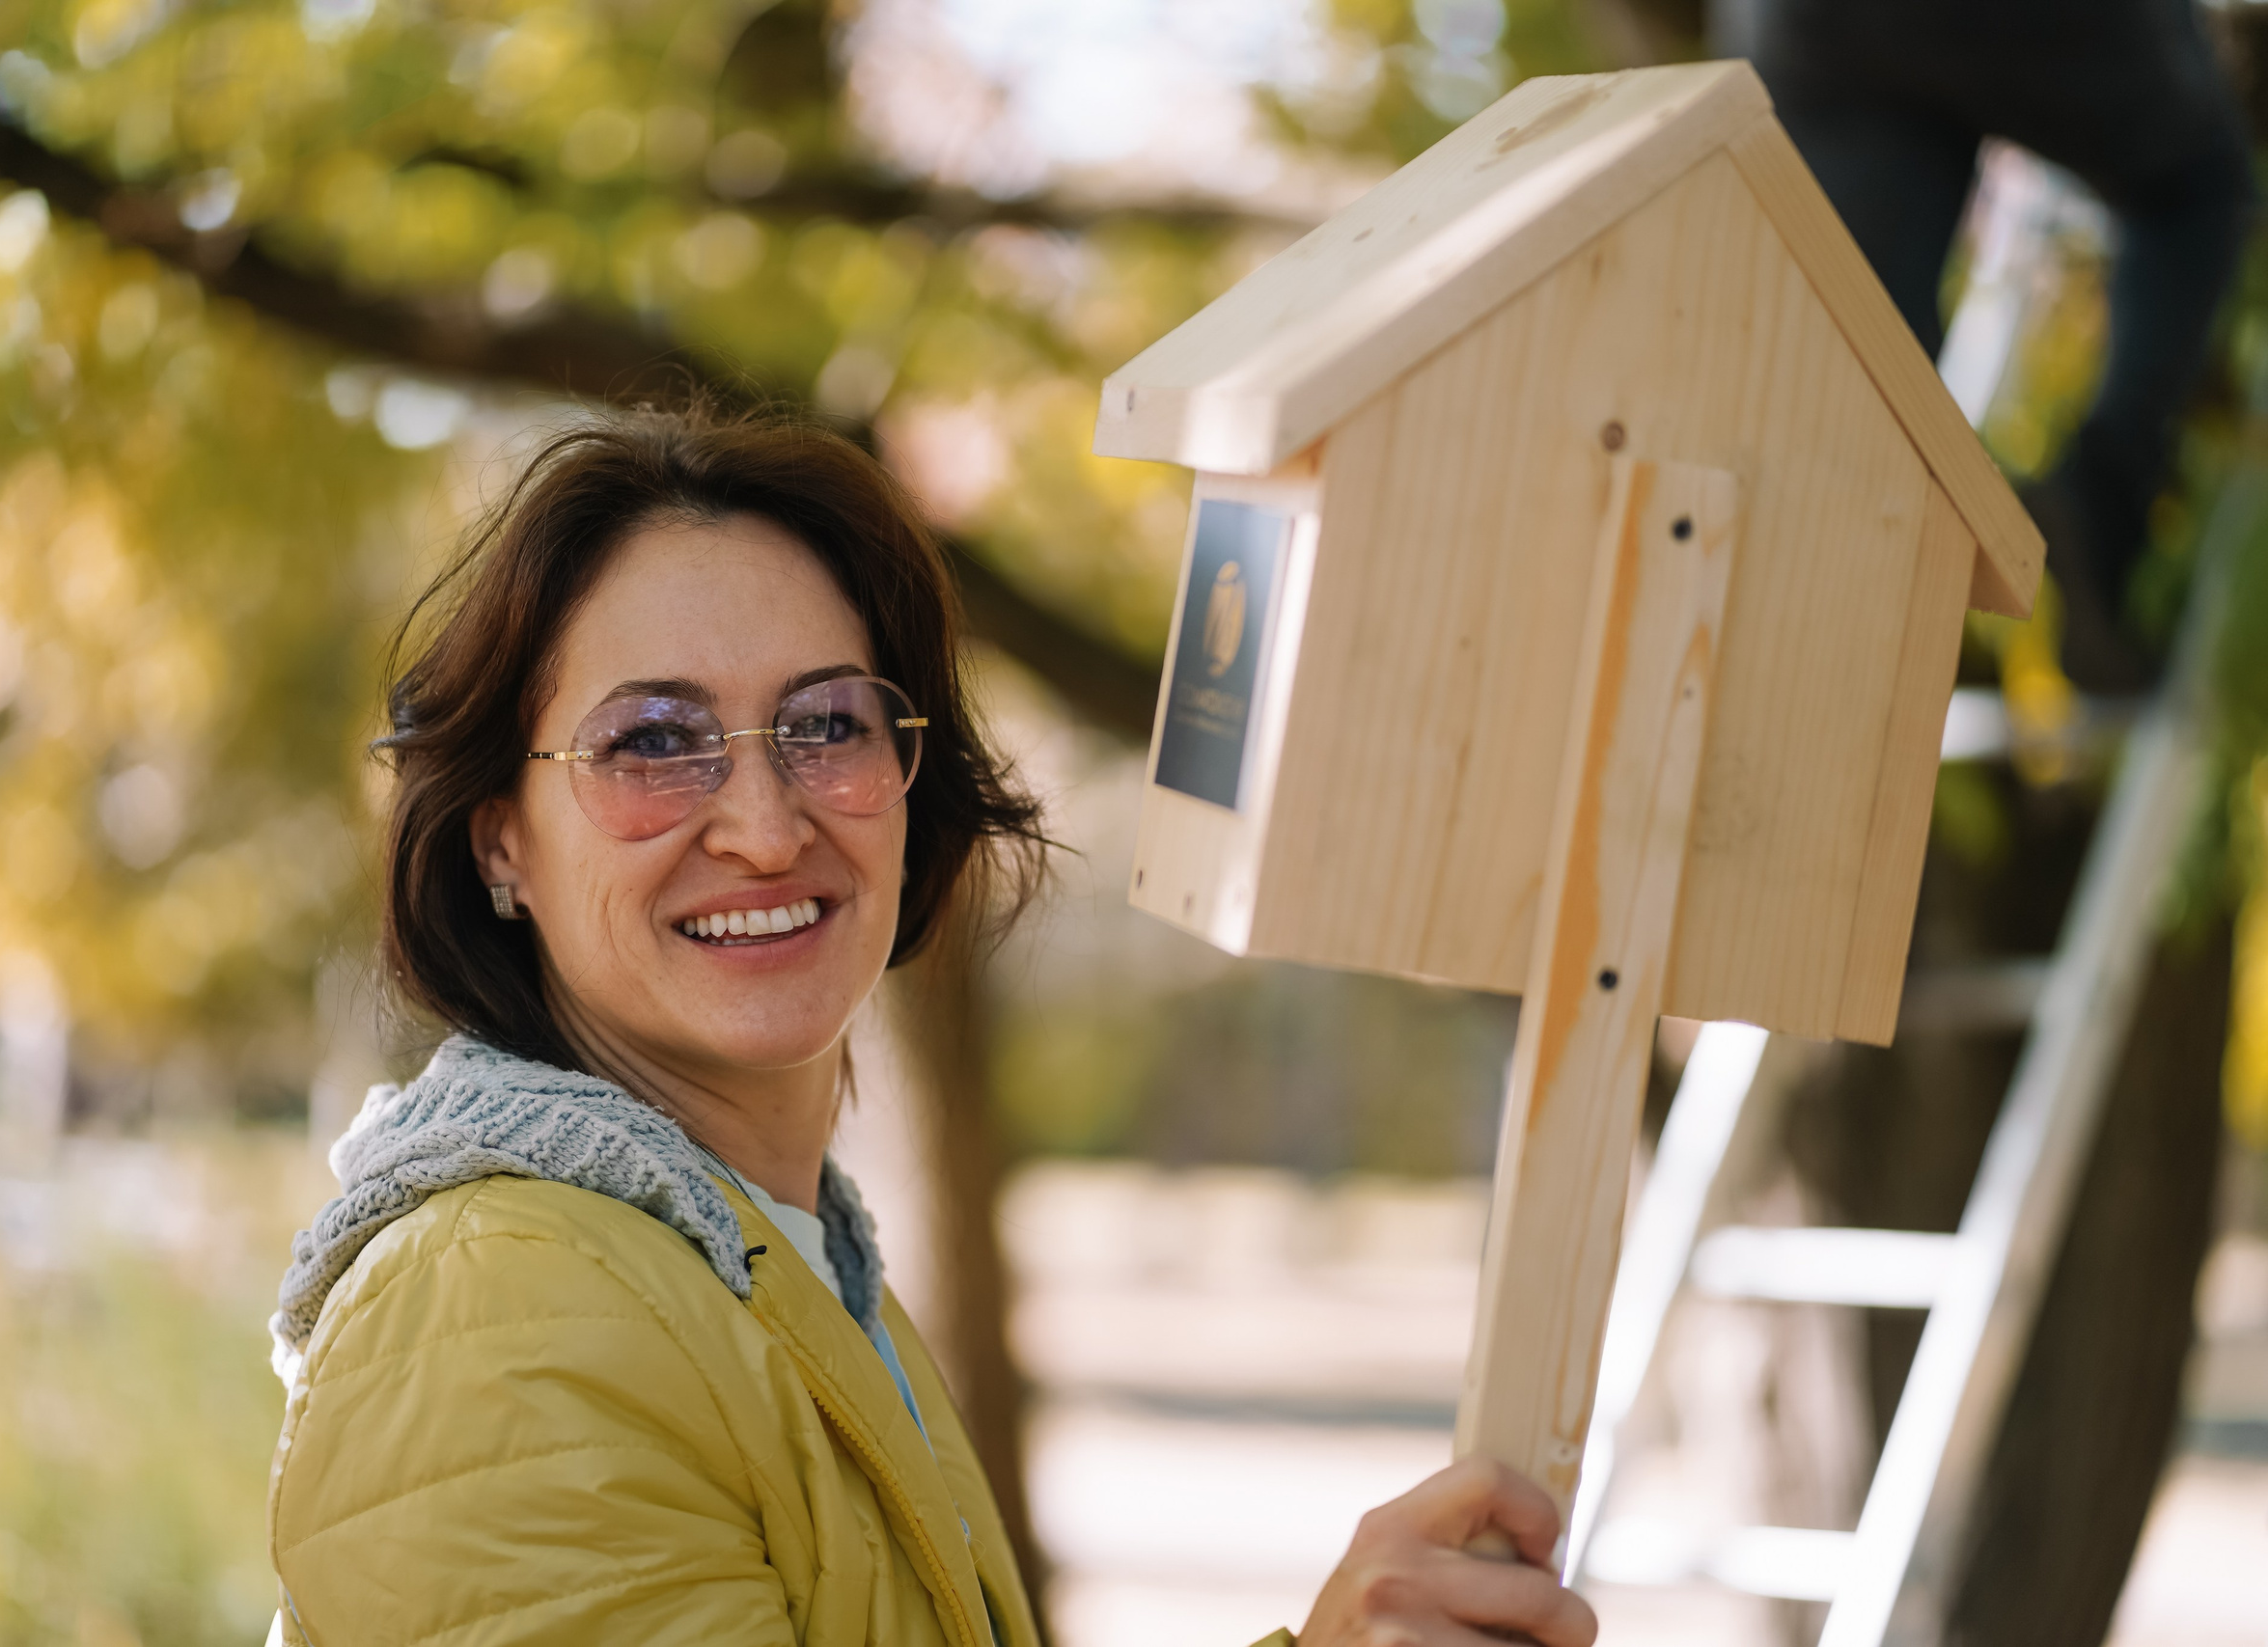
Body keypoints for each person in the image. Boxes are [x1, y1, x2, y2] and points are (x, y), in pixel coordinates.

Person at [262, 406, 1598, 1647]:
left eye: (826, 721)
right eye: (653, 740)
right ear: (503, 842)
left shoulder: (769, 1254)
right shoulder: (503, 1310)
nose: (768, 823)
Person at [1737, 0, 2255, 690]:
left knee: (1852, 363)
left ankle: (1800, 670)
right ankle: (2101, 501)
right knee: (2198, 188)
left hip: (1810, 25)